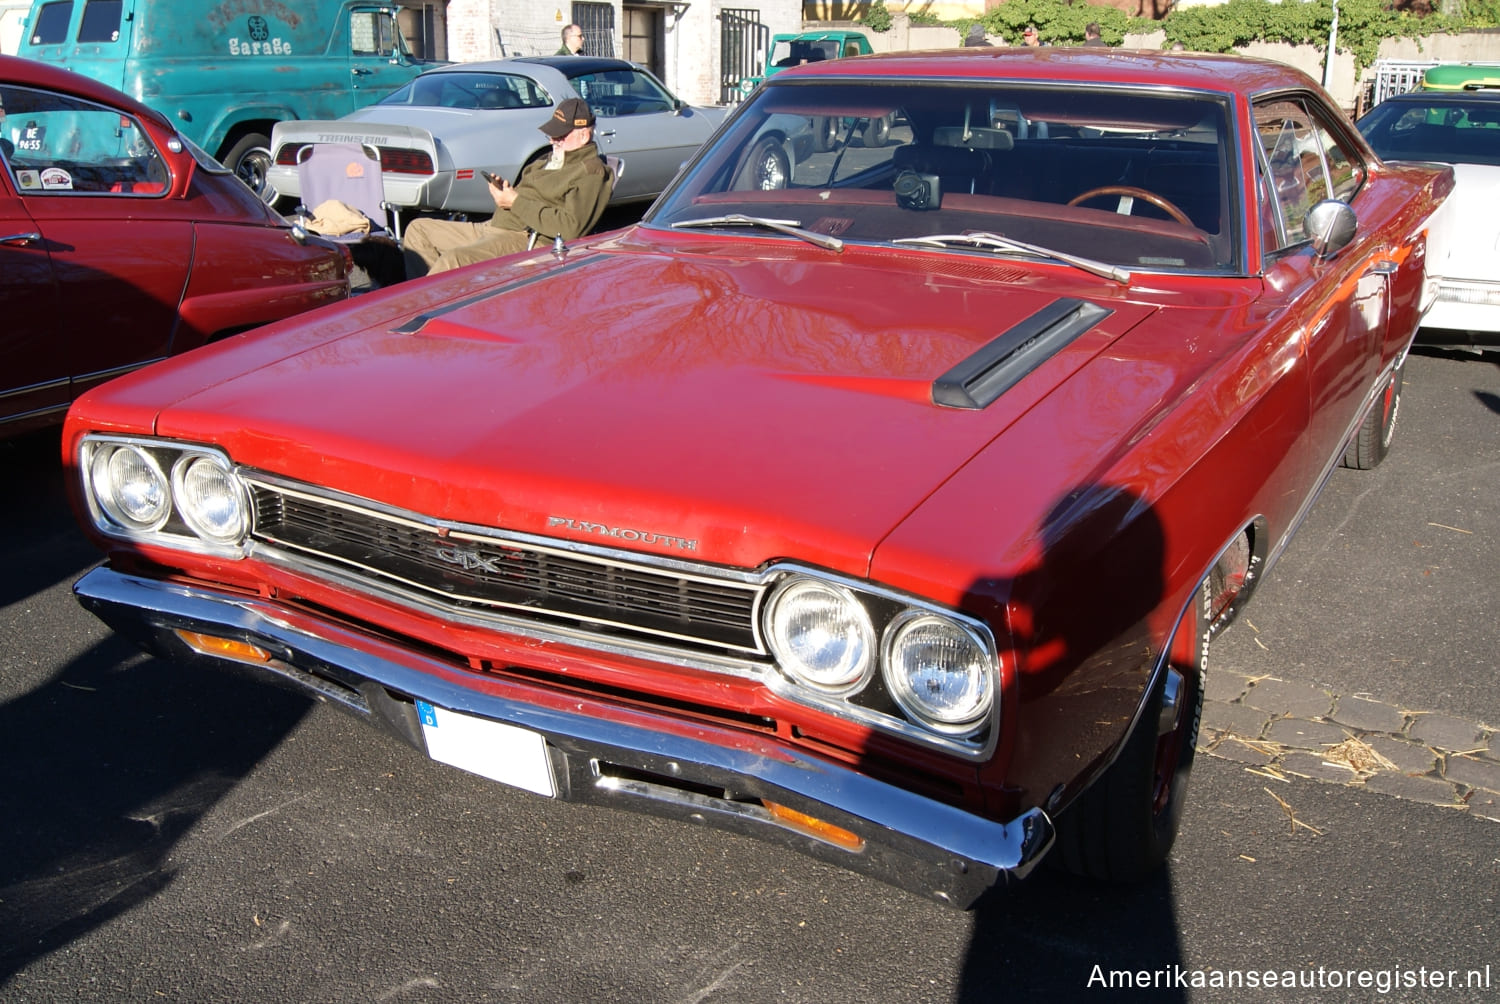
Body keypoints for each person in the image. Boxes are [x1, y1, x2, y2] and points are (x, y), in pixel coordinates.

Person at [402, 98, 612, 278]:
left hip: (526, 237)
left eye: (560, 136)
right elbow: (530, 195)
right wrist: (505, 192)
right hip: (496, 225)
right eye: (551, 134)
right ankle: (427, 295)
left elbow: (570, 228)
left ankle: (417, 312)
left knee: (455, 259)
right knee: (418, 230)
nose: (553, 140)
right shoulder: (550, 159)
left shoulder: (590, 172)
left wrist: (515, 202)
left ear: (583, 136)